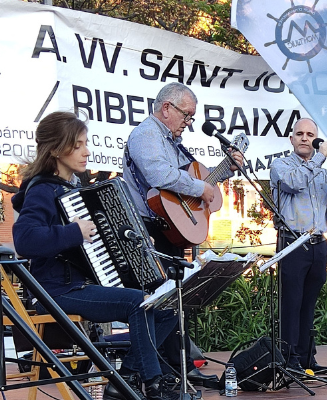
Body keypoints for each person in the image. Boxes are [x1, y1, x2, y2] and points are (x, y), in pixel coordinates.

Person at [11, 111, 178, 400]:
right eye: (77, 145)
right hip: (56, 289)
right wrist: (73, 232)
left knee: (167, 307)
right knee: (138, 303)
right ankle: (152, 383)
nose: (87, 152)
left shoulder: (73, 189)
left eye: (85, 143)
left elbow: (95, 241)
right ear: (54, 149)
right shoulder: (41, 190)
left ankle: (124, 379)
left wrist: (136, 237)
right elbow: (24, 240)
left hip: (81, 285)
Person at [123, 82, 243, 384]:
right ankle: (148, 372)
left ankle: (176, 368)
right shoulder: (145, 134)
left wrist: (226, 169)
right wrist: (200, 188)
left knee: (172, 301)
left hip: (169, 229)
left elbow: (195, 180)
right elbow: (160, 176)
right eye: (186, 116)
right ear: (167, 108)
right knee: (158, 303)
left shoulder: (171, 141)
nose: (188, 123)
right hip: (148, 230)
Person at [269, 118, 327, 372]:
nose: (304, 138)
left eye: (310, 134)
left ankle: (306, 359)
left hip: (317, 243)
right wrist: (318, 160)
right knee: (291, 303)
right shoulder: (280, 166)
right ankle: (288, 360)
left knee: (309, 303)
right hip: (292, 242)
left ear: (315, 140)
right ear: (291, 139)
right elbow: (293, 183)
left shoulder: (321, 171)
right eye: (299, 134)